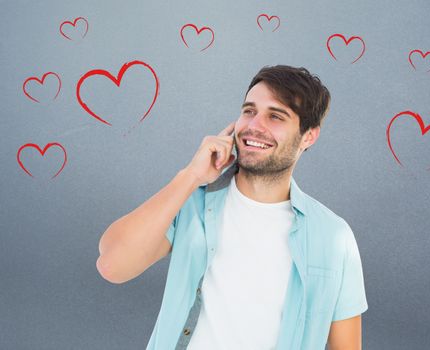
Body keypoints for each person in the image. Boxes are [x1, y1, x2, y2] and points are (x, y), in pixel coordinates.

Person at [96, 65, 368, 349]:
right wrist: (190, 176)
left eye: (276, 116)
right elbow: (112, 265)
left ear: (309, 136)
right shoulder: (191, 203)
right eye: (249, 111)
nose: (254, 125)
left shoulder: (334, 236)